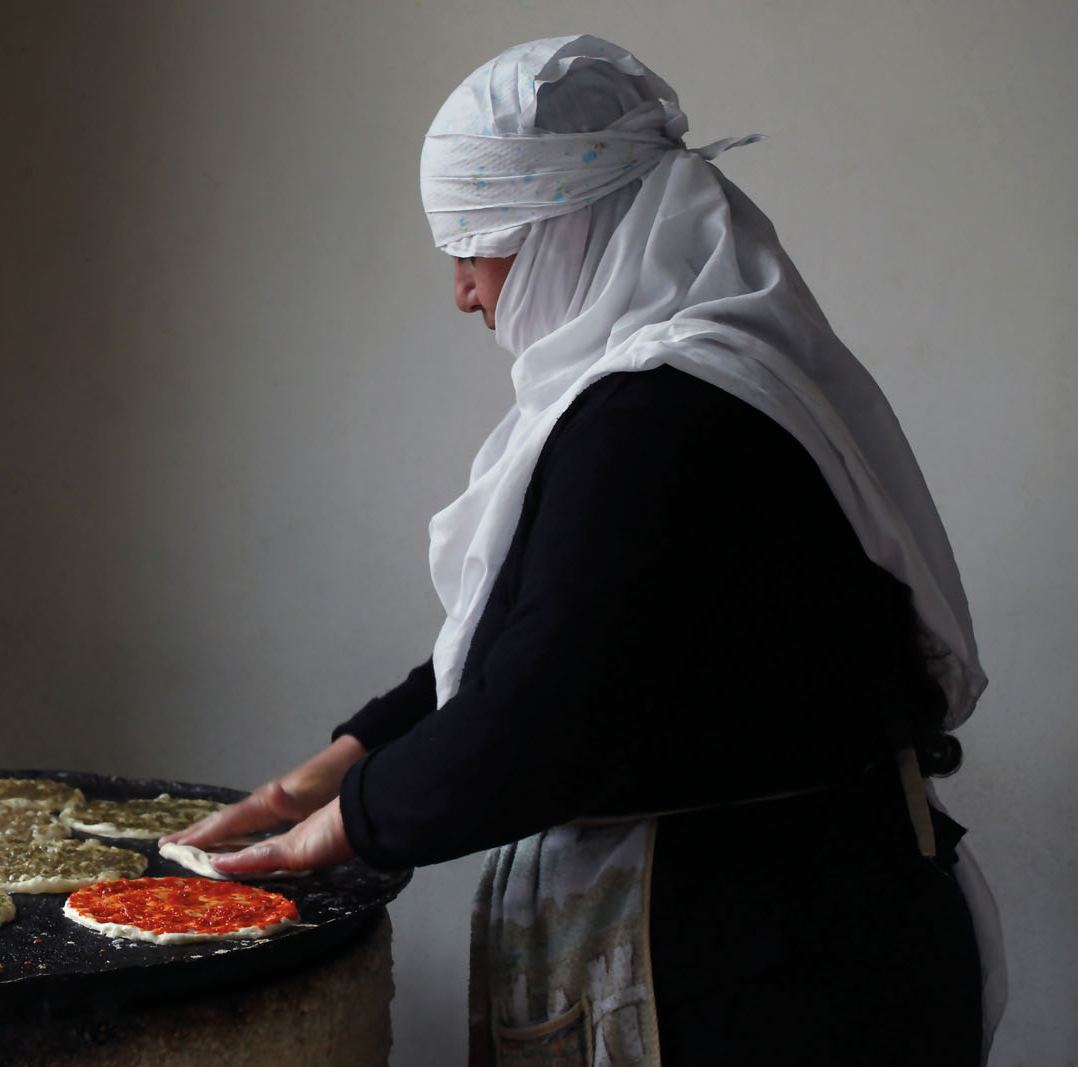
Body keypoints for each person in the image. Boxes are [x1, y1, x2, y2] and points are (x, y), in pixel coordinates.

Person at [165, 35, 1004, 1066]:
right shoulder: (677, 388)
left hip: (768, 974)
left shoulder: (664, 413)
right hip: (784, 933)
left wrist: (328, 836)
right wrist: (324, 772)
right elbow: (545, 637)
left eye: (473, 246)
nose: (465, 292)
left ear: (569, 228)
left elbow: (539, 713)